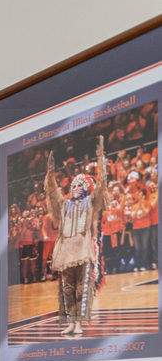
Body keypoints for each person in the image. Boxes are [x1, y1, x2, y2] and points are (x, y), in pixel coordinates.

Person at [43, 136, 110, 337]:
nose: (75, 189)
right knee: (67, 289)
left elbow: (101, 185)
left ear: (85, 189)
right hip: (66, 251)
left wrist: (100, 159)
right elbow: (52, 191)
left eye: (79, 186)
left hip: (82, 249)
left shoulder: (90, 203)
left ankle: (79, 323)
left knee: (82, 288)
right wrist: (50, 172)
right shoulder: (64, 205)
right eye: (73, 186)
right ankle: (70, 322)